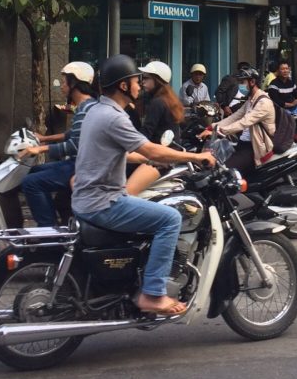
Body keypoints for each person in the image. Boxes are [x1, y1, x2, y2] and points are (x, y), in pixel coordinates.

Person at [72, 55, 215, 316]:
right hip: (103, 202)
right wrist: (196, 156)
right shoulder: (115, 116)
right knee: (170, 219)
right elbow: (151, 148)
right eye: (135, 80)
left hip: (86, 198)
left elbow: (127, 152)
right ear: (123, 86)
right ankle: (153, 294)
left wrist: (151, 158)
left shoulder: (97, 110)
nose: (139, 84)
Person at [21, 62, 96, 227]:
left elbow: (74, 145)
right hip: (76, 163)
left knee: (31, 182)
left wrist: (41, 148)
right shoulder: (86, 106)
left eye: (64, 82)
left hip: (81, 166)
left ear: (74, 83)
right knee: (32, 172)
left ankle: (48, 231)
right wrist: (43, 138)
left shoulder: (86, 108)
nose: (61, 86)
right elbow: (71, 134)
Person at [203, 66, 275, 177]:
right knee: (218, 162)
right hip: (242, 144)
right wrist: (211, 127)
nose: (240, 85)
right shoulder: (250, 100)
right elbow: (234, 117)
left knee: (225, 172)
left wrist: (218, 131)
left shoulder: (263, 103)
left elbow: (244, 122)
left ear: (252, 82)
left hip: (253, 148)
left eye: (243, 82)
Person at [126, 60, 185, 197]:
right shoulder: (166, 99)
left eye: (146, 78)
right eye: (142, 78)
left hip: (161, 157)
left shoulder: (158, 102)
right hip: (162, 152)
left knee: (127, 193)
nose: (142, 82)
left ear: (157, 80)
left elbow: (145, 133)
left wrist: (127, 144)